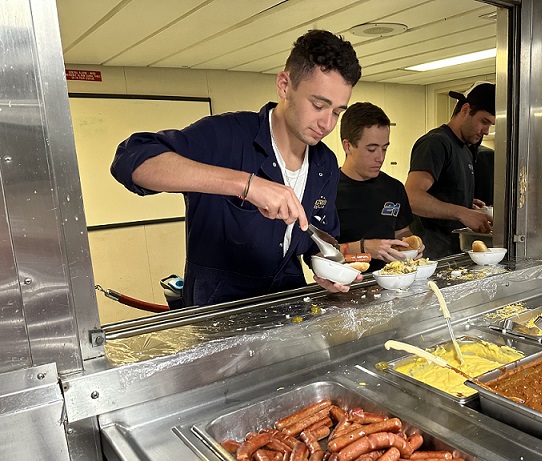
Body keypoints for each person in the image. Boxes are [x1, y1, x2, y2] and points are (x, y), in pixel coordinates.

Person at [111, 30, 361, 306]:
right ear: (284, 85)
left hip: (288, 311)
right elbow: (131, 160)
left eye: (337, 112)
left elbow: (317, 236)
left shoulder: (324, 163)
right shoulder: (226, 136)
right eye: (318, 105)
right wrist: (246, 184)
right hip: (218, 318)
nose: (328, 124)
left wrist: (325, 266)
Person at [405, 82, 495, 259]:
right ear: (465, 109)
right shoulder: (436, 143)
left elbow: (443, 194)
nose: (486, 131)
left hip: (453, 253)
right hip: (432, 256)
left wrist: (465, 203)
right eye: (484, 122)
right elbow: (411, 197)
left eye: (491, 125)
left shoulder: (465, 149)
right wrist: (463, 213)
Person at [335, 102, 423, 270]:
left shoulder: (394, 188)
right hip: (343, 287)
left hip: (392, 282)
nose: (380, 158)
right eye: (371, 149)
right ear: (348, 146)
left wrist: (411, 245)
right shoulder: (328, 191)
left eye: (384, 149)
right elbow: (318, 255)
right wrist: (363, 249)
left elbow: (402, 232)